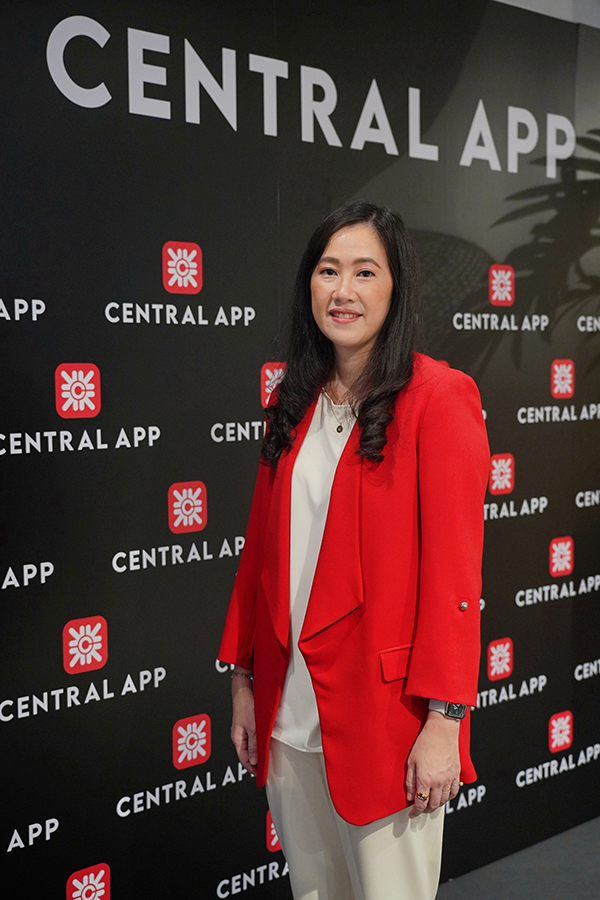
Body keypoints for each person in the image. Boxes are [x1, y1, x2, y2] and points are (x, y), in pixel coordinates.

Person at [218, 200, 489, 900]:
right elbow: (260, 556)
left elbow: (455, 578)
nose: (343, 290)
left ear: (396, 289)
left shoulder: (439, 397)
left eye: (365, 272)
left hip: (387, 720)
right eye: (328, 270)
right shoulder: (294, 398)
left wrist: (444, 723)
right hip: (287, 714)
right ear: (308, 284)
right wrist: (244, 679)